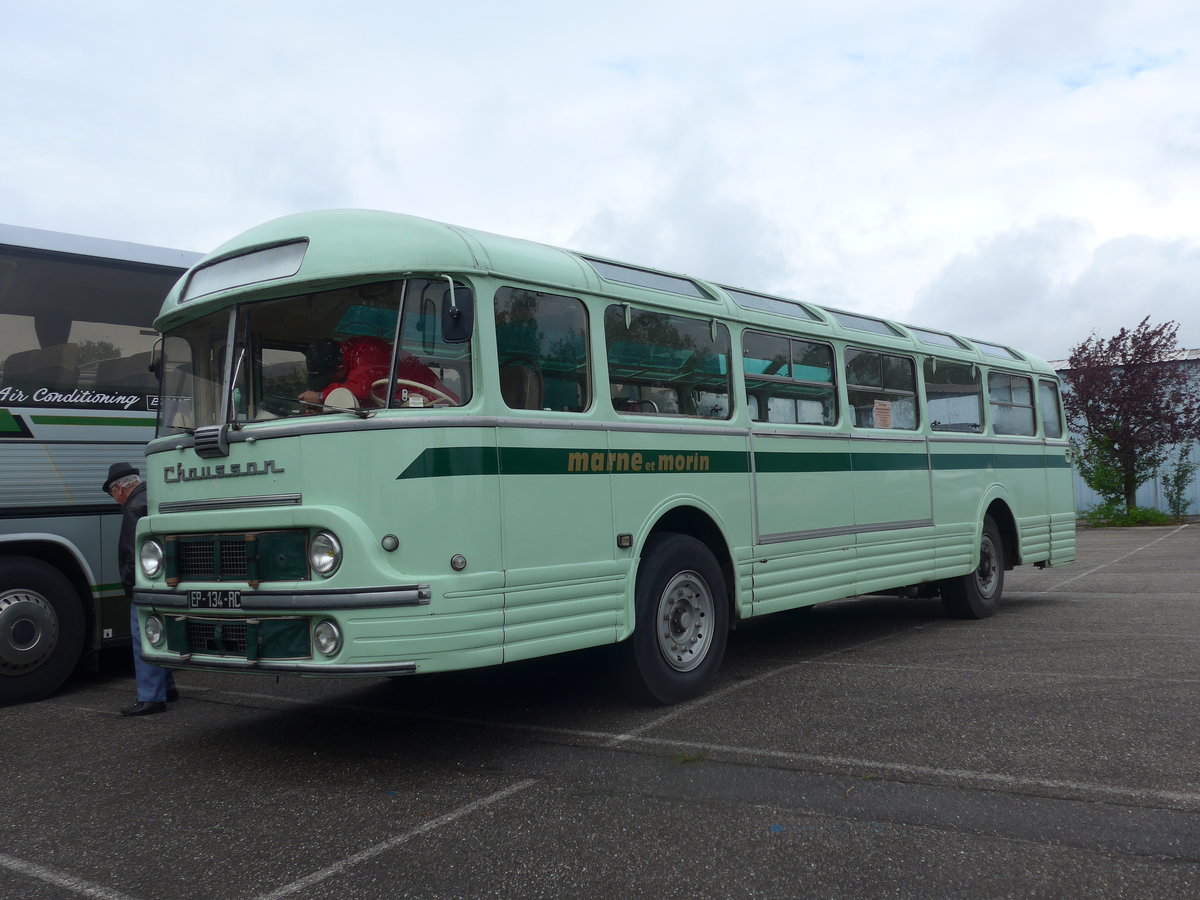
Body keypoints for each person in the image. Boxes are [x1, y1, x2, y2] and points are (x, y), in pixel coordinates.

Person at [104, 462, 177, 716]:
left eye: (113, 494)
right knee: (161, 633)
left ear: (120, 489)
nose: (115, 501)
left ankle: (151, 697)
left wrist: (128, 585)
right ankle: (167, 687)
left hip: (144, 584)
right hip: (165, 581)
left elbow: (130, 554)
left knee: (143, 637)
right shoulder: (152, 497)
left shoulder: (133, 508)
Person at [298, 336, 457, 409]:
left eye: (328, 379)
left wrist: (320, 397)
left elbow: (360, 390)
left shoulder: (366, 353)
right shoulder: (349, 355)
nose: (325, 384)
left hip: (439, 405)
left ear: (340, 369)